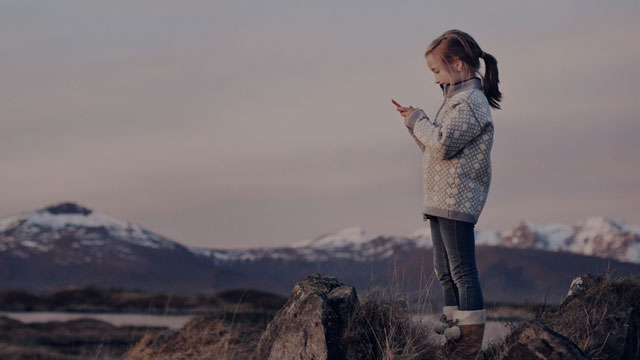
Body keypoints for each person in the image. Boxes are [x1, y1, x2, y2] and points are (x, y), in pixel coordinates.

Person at [392, 29, 502, 360]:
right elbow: (435, 146)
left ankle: (466, 347)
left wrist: (419, 119)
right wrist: (414, 124)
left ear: (457, 64)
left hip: (457, 198)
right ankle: (453, 337)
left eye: (436, 71)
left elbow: (441, 144)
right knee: (444, 268)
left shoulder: (472, 103)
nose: (434, 78)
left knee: (462, 271)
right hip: (440, 199)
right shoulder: (456, 101)